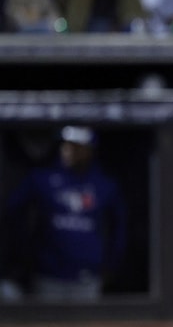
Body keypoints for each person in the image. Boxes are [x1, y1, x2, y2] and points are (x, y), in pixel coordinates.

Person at [0, 126, 127, 302]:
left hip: (88, 275)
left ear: (89, 150)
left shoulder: (104, 184)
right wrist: (25, 251)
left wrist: (111, 264)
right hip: (49, 274)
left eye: (76, 146)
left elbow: (119, 227)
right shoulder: (43, 178)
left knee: (87, 326)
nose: (68, 151)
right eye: (65, 145)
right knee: (45, 326)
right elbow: (12, 212)